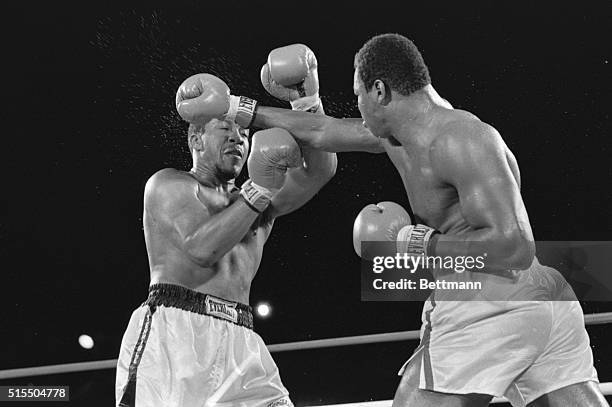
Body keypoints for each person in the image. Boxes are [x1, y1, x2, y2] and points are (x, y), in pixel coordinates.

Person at [177, 34, 607, 406]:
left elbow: (514, 248)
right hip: (545, 297)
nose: (358, 105)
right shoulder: (400, 136)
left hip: (490, 295)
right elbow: (322, 132)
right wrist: (235, 107)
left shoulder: (464, 138)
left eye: (360, 94)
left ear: (379, 90)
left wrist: (420, 244)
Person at [115, 44, 336, 407]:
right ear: (195, 138)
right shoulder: (169, 185)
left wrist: (306, 99)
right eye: (225, 129)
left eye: (245, 134)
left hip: (241, 338)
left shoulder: (258, 203)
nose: (238, 138)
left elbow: (320, 171)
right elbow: (202, 250)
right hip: (175, 336)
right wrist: (259, 190)